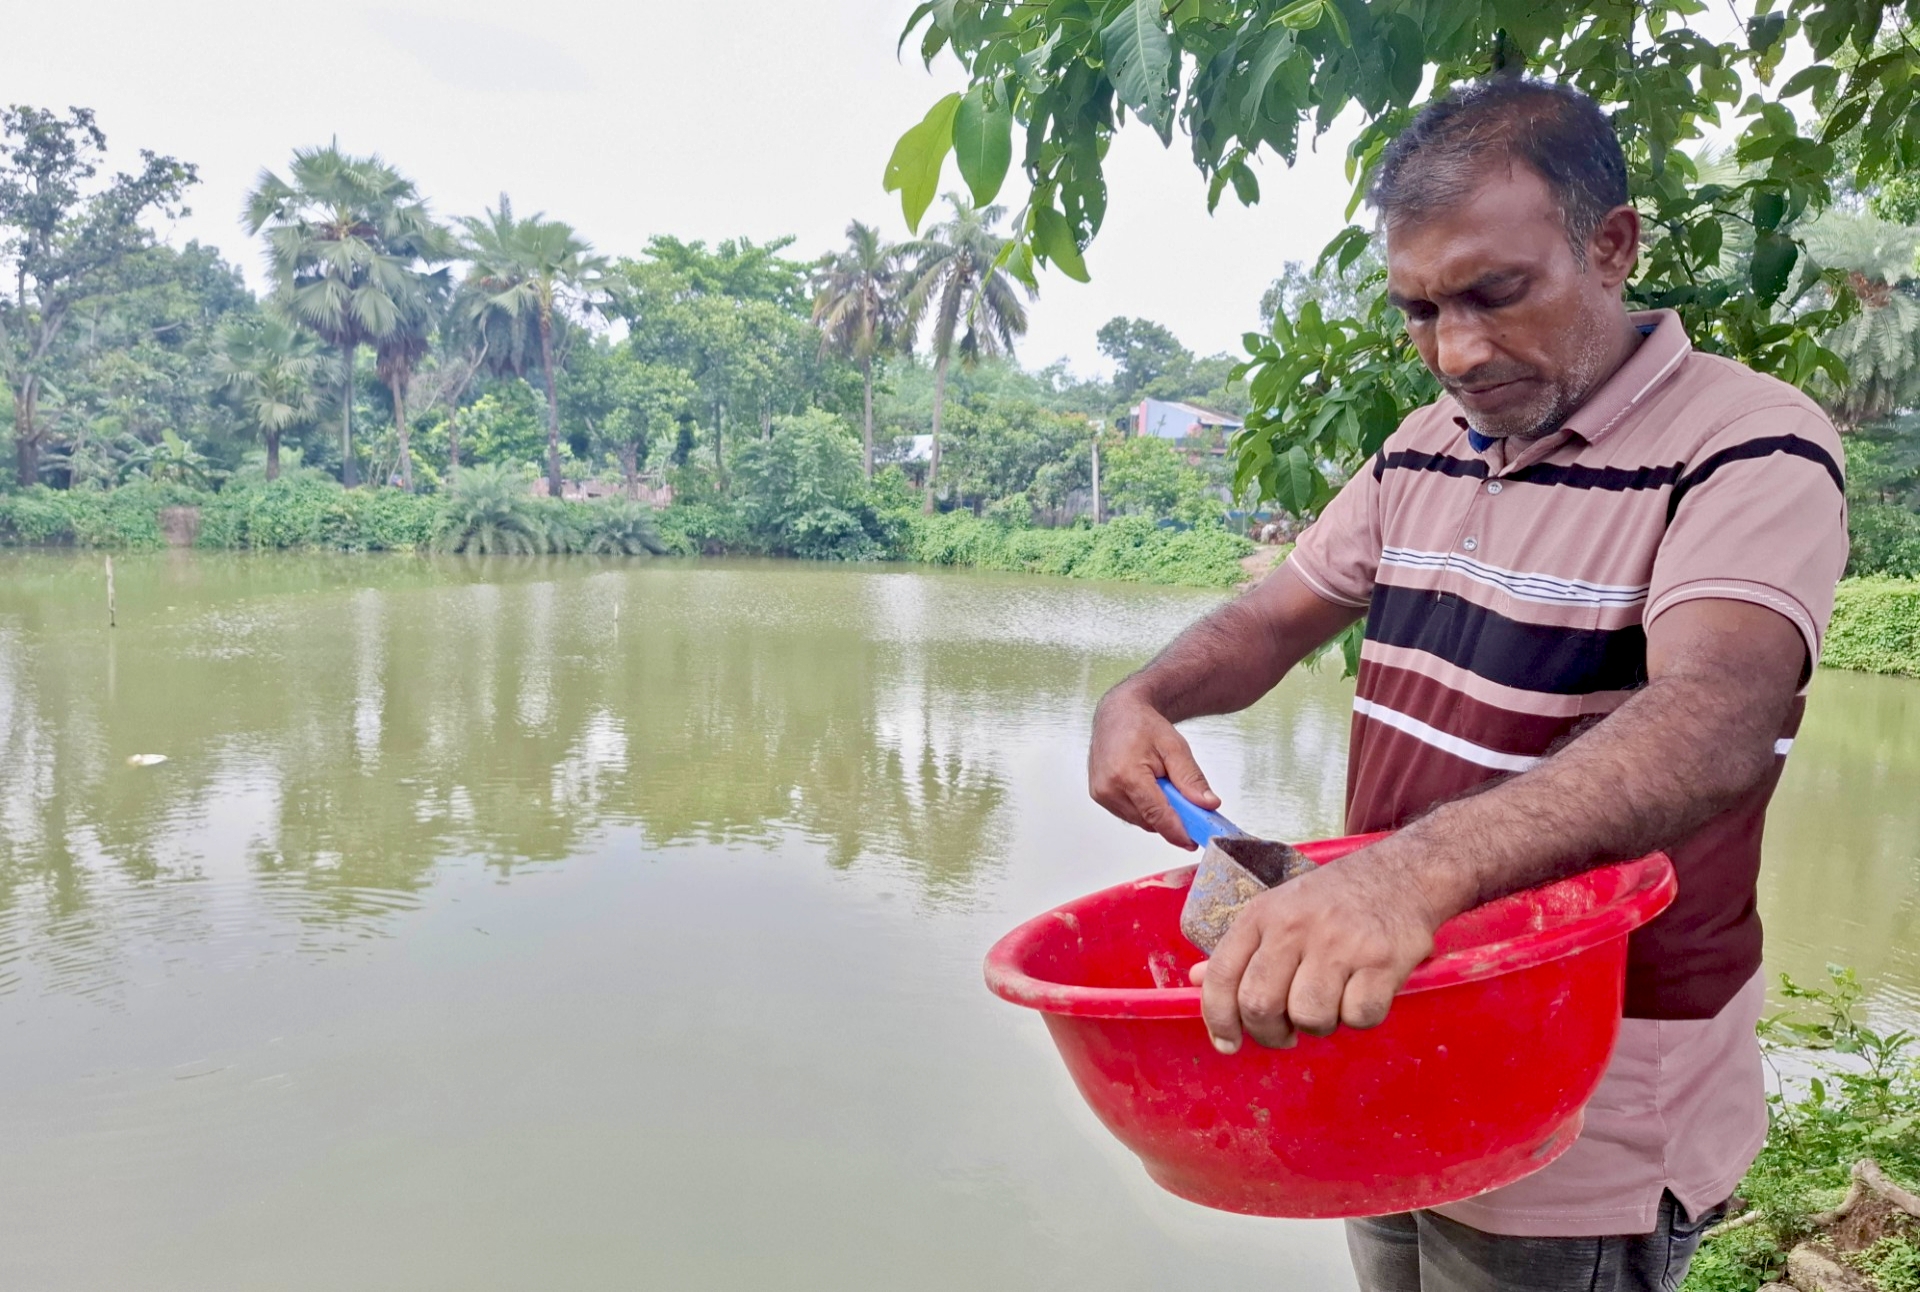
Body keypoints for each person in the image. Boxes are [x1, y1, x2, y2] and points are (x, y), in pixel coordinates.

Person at [1086, 76, 1849, 1292]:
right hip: (1383, 1028)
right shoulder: (1424, 446)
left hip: (1580, 1093)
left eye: (1498, 294)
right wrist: (1144, 695)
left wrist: (1410, 871)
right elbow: (1276, 614)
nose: (1459, 351)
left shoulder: (1750, 446)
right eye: (1421, 310)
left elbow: (1713, 720)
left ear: (1613, 245)